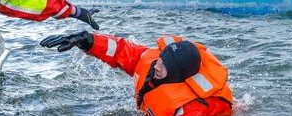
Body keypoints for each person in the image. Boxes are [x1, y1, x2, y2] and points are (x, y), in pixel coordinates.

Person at [40, 33, 233, 116]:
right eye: (160, 59)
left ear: (178, 75)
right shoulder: (152, 62)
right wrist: (87, 40)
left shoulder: (192, 109)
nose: (156, 65)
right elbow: (121, 50)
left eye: (165, 66)